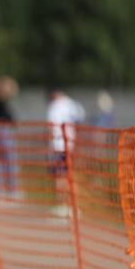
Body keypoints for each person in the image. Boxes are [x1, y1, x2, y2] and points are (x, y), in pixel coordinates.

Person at [46, 87, 85, 216]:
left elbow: (51, 126)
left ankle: (62, 205)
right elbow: (80, 118)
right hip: (70, 144)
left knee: (59, 176)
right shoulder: (71, 104)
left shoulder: (54, 106)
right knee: (69, 175)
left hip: (57, 145)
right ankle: (73, 206)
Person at [0, 76, 19, 199]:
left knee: (0, 160)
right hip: (3, 130)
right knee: (9, 159)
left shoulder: (0, 101)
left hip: (1, 130)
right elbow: (7, 93)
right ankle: (11, 188)